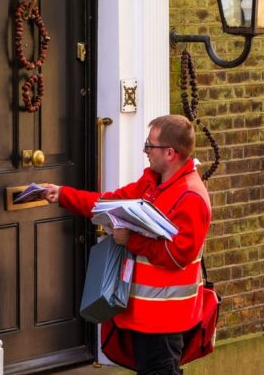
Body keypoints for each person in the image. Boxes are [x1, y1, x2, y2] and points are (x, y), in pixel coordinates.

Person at [43, 115, 211, 375]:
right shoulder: (152, 185)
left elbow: (178, 256)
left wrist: (131, 240)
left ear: (170, 153)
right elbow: (108, 202)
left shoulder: (191, 196)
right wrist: (63, 194)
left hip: (166, 318)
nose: (145, 151)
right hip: (145, 312)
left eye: (150, 146)